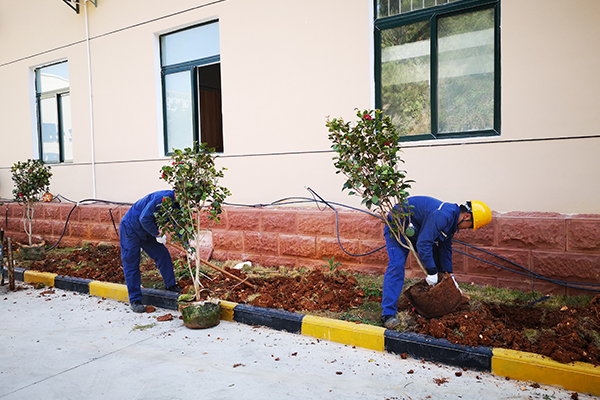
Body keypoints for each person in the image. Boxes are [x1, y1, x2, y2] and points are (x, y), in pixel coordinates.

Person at [381, 196, 492, 329]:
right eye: (470, 227)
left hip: (416, 230)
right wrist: (432, 272)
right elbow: (423, 243)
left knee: (435, 254)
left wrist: (449, 275)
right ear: (467, 216)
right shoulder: (443, 215)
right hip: (398, 227)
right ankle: (388, 314)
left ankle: (439, 299)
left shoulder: (452, 220)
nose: (467, 229)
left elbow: (445, 249)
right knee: (396, 266)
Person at [120, 190, 180, 313]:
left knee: (162, 254)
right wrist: (157, 234)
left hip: (147, 231)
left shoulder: (178, 205)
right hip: (131, 229)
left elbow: (179, 226)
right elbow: (144, 218)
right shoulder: (162, 199)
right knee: (131, 263)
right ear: (178, 193)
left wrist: (188, 247)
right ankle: (135, 300)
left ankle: (171, 286)